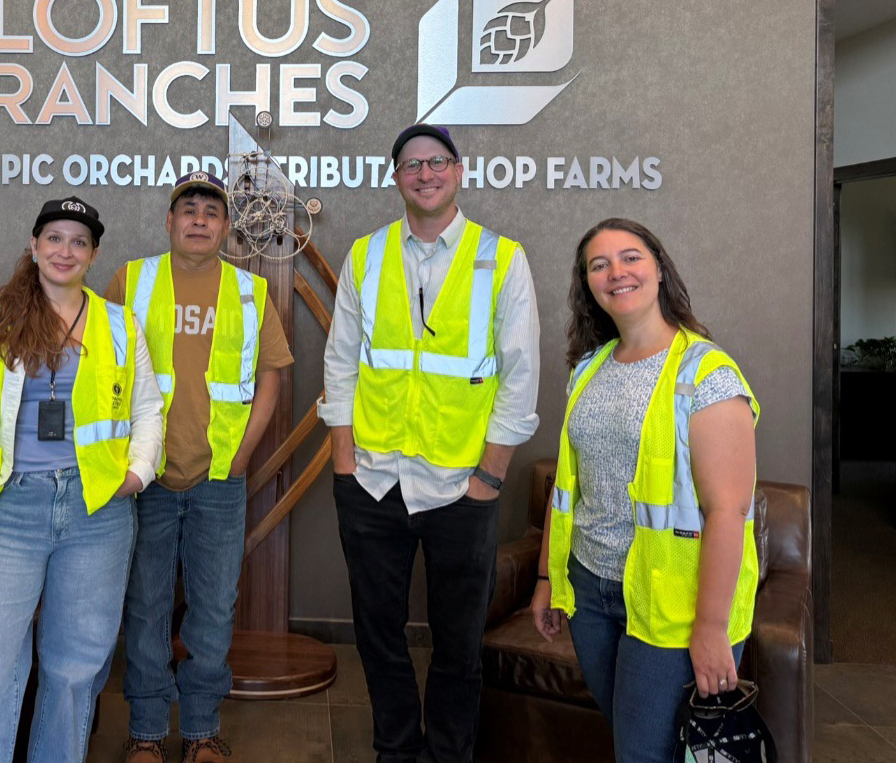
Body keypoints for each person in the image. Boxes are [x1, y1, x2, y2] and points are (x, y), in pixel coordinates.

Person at [320, 125, 540, 763]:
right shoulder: (367, 255)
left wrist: (489, 480)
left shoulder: (501, 257)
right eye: (412, 165)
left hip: (459, 487)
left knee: (458, 646)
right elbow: (341, 364)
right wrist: (342, 464)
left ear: (459, 171)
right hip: (371, 481)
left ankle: (448, 754)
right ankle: (395, 751)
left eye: (436, 162)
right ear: (397, 177)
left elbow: (519, 375)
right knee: (379, 638)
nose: (424, 174)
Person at [0, 196, 163, 763]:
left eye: (79, 242)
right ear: (34, 246)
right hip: (13, 508)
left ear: (94, 255)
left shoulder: (118, 323)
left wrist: (137, 473)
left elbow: (147, 409)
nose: (66, 250)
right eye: (55, 238)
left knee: (74, 671)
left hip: (97, 514)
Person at [528, 218, 760, 763]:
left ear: (659, 269)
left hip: (672, 605)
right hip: (591, 592)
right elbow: (568, 490)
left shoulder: (707, 373)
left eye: (630, 257)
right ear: (587, 284)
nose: (616, 272)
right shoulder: (588, 369)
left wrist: (710, 627)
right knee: (635, 743)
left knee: (644, 754)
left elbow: (728, 511)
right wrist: (547, 579)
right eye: (598, 264)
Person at [107, 172, 292, 763]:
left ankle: (202, 732)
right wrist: (127, 460)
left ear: (226, 227)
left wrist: (240, 457)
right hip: (146, 479)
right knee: (146, 606)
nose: (198, 219)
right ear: (168, 221)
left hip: (219, 479)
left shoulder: (249, 291)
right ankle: (145, 732)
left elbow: (272, 377)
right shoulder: (130, 281)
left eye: (211, 212)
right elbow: (98, 374)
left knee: (213, 609)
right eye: (187, 209)